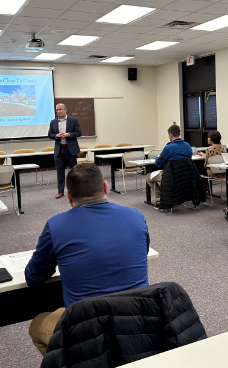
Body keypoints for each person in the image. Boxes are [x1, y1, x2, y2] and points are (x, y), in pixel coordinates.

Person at [25, 163, 149, 355]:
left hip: (87, 330)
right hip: (139, 322)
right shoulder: (136, 216)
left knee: (37, 325)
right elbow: (142, 251)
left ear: (68, 197)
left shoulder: (56, 226)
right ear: (106, 187)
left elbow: (33, 278)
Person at [145, 124, 192, 200]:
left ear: (170, 135)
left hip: (170, 175)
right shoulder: (187, 145)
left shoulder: (168, 147)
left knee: (148, 177)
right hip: (185, 174)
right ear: (179, 134)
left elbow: (158, 163)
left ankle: (160, 197)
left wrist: (157, 157)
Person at [48, 103, 81, 199]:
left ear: (65, 110)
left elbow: (78, 133)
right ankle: (60, 191)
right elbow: (50, 134)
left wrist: (68, 134)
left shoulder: (73, 120)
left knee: (74, 171)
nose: (58, 111)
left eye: (60, 109)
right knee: (60, 172)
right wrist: (56, 136)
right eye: (57, 110)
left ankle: (76, 191)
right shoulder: (53, 122)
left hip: (70, 149)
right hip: (59, 149)